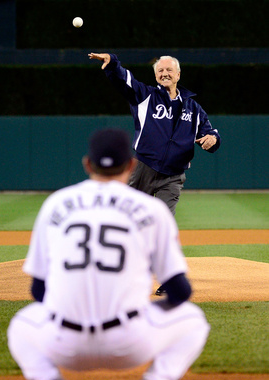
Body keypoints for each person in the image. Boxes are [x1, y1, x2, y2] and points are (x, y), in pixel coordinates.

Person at [7, 128, 210, 380]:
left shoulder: (56, 204)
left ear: (87, 165)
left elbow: (38, 291)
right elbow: (181, 292)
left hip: (65, 342)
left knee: (20, 325)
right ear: (131, 165)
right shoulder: (152, 210)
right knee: (195, 321)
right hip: (129, 342)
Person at [88, 52, 221, 294]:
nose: (164, 74)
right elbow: (124, 80)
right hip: (143, 170)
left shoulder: (193, 107)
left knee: (163, 227)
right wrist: (113, 63)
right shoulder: (145, 96)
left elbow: (211, 132)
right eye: (160, 71)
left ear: (178, 75)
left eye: (169, 70)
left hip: (173, 176)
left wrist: (213, 139)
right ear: (155, 75)